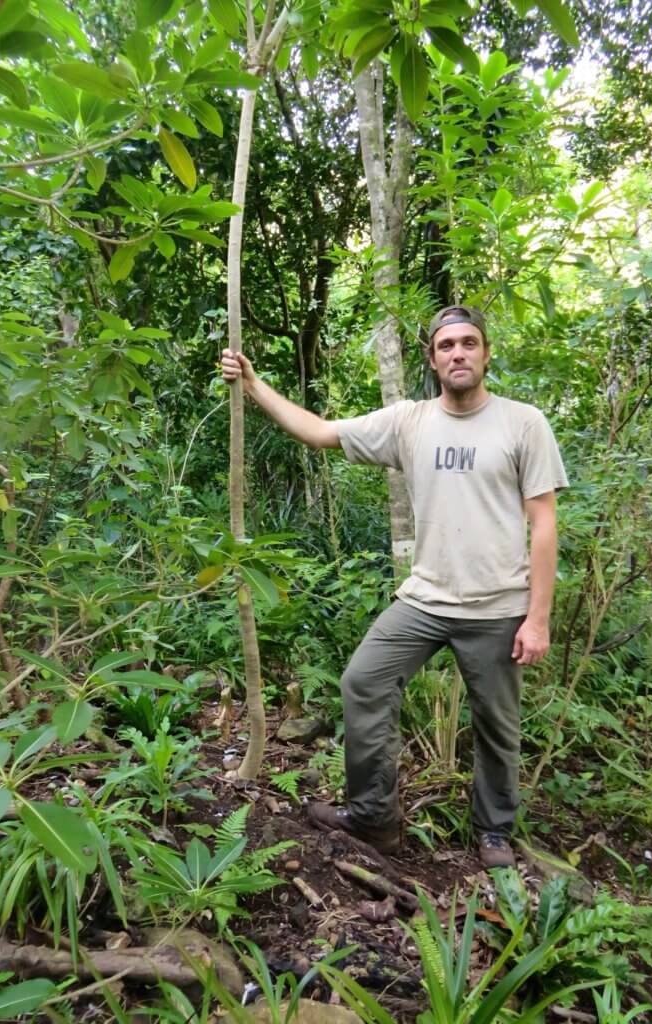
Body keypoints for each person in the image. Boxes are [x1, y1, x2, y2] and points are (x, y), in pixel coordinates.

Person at [219, 305, 568, 867]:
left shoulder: (522, 423)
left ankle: (494, 831)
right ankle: (373, 817)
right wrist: (256, 384)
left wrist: (538, 617)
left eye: (469, 343)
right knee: (363, 682)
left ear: (485, 352)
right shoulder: (410, 420)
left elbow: (544, 522)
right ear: (432, 358)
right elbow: (321, 433)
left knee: (497, 726)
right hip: (425, 600)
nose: (458, 353)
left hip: (498, 605)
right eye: (447, 345)